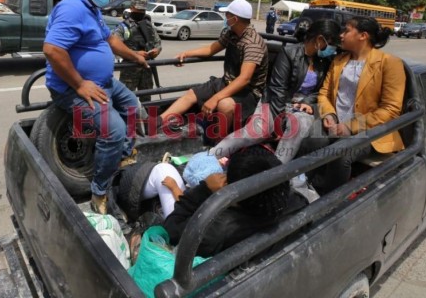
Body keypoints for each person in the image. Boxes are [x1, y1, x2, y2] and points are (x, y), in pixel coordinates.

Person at [43, 0, 148, 214]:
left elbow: (110, 39)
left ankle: (122, 155)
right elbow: (52, 50)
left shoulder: (91, 8)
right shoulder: (72, 8)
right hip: (73, 88)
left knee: (134, 106)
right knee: (113, 130)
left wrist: (135, 56)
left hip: (104, 83)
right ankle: (99, 191)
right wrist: (79, 84)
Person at [210, 19, 341, 161]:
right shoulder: (289, 53)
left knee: (300, 124)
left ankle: (276, 172)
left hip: (301, 107)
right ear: (320, 39)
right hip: (275, 102)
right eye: (332, 44)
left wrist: (308, 103)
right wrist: (279, 120)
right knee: (254, 132)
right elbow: (278, 88)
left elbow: (322, 89)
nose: (333, 49)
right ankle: (211, 156)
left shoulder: (324, 62)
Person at [308, 16, 406, 194]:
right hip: (336, 124)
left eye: (346, 30)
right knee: (310, 140)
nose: (341, 35)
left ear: (363, 36)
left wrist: (350, 126)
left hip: (370, 131)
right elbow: (324, 93)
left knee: (341, 155)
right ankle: (304, 189)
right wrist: (329, 115)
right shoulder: (339, 61)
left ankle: (328, 203)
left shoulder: (390, 64)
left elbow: (390, 110)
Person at [163, 145, 307, 257]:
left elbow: (171, 230)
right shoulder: (299, 203)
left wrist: (204, 190)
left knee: (161, 173)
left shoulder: (216, 231)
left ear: (236, 193)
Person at [156, 0, 268, 139]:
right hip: (227, 82)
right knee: (191, 94)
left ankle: (219, 145)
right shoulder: (232, 34)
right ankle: (156, 122)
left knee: (224, 105)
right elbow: (211, 49)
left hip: (248, 92)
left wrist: (215, 98)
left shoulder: (253, 43)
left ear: (235, 19)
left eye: (227, 15)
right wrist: (186, 53)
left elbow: (244, 79)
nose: (225, 18)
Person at [113, 0, 162, 102]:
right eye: (139, 9)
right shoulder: (123, 27)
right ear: (131, 8)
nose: (141, 12)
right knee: (125, 99)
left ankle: (144, 118)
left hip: (147, 70)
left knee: (146, 98)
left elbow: (158, 43)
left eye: (143, 9)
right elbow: (116, 47)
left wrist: (156, 51)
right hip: (129, 71)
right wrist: (136, 54)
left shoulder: (148, 25)